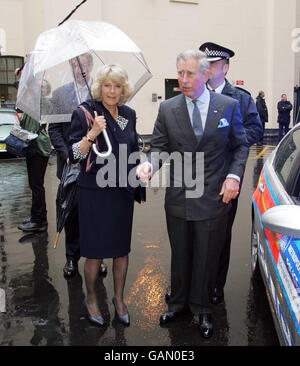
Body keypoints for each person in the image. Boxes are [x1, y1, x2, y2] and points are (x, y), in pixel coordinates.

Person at [137, 50, 249, 338]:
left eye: (191, 73)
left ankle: (202, 309)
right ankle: (178, 304)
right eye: (180, 73)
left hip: (213, 197)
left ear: (206, 74)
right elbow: (160, 146)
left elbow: (240, 146)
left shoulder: (228, 106)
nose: (184, 79)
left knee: (206, 254)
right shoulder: (168, 109)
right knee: (181, 252)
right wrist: (150, 163)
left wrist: (234, 177)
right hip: (178, 195)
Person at [68, 64, 144, 326]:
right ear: (100, 87)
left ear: (124, 89)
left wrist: (140, 169)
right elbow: (73, 155)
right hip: (94, 192)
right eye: (107, 85)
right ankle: (91, 299)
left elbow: (132, 146)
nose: (112, 91)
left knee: (121, 250)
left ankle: (119, 299)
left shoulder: (127, 115)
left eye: (117, 86)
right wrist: (92, 133)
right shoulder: (86, 113)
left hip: (121, 191)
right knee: (96, 252)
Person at [197, 42, 263, 305]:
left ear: (225, 67)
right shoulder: (195, 95)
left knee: (221, 233)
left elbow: (256, 130)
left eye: (212, 64)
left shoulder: (241, 98)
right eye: (205, 64)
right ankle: (191, 284)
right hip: (197, 175)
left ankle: (215, 285)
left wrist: (229, 139)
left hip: (226, 176)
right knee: (193, 231)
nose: (207, 69)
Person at [48, 53, 107, 279]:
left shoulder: (101, 91)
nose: (77, 67)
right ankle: (72, 259)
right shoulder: (60, 93)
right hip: (70, 165)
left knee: (96, 215)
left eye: (81, 63)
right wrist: (66, 155)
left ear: (90, 65)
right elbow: (53, 130)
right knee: (71, 214)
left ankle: (97, 258)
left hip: (97, 166)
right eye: (73, 63)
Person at [16, 67, 52, 233]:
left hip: (38, 146)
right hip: (33, 145)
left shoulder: (39, 99)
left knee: (37, 185)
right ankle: (37, 218)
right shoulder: (30, 97)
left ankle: (39, 221)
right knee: (35, 184)